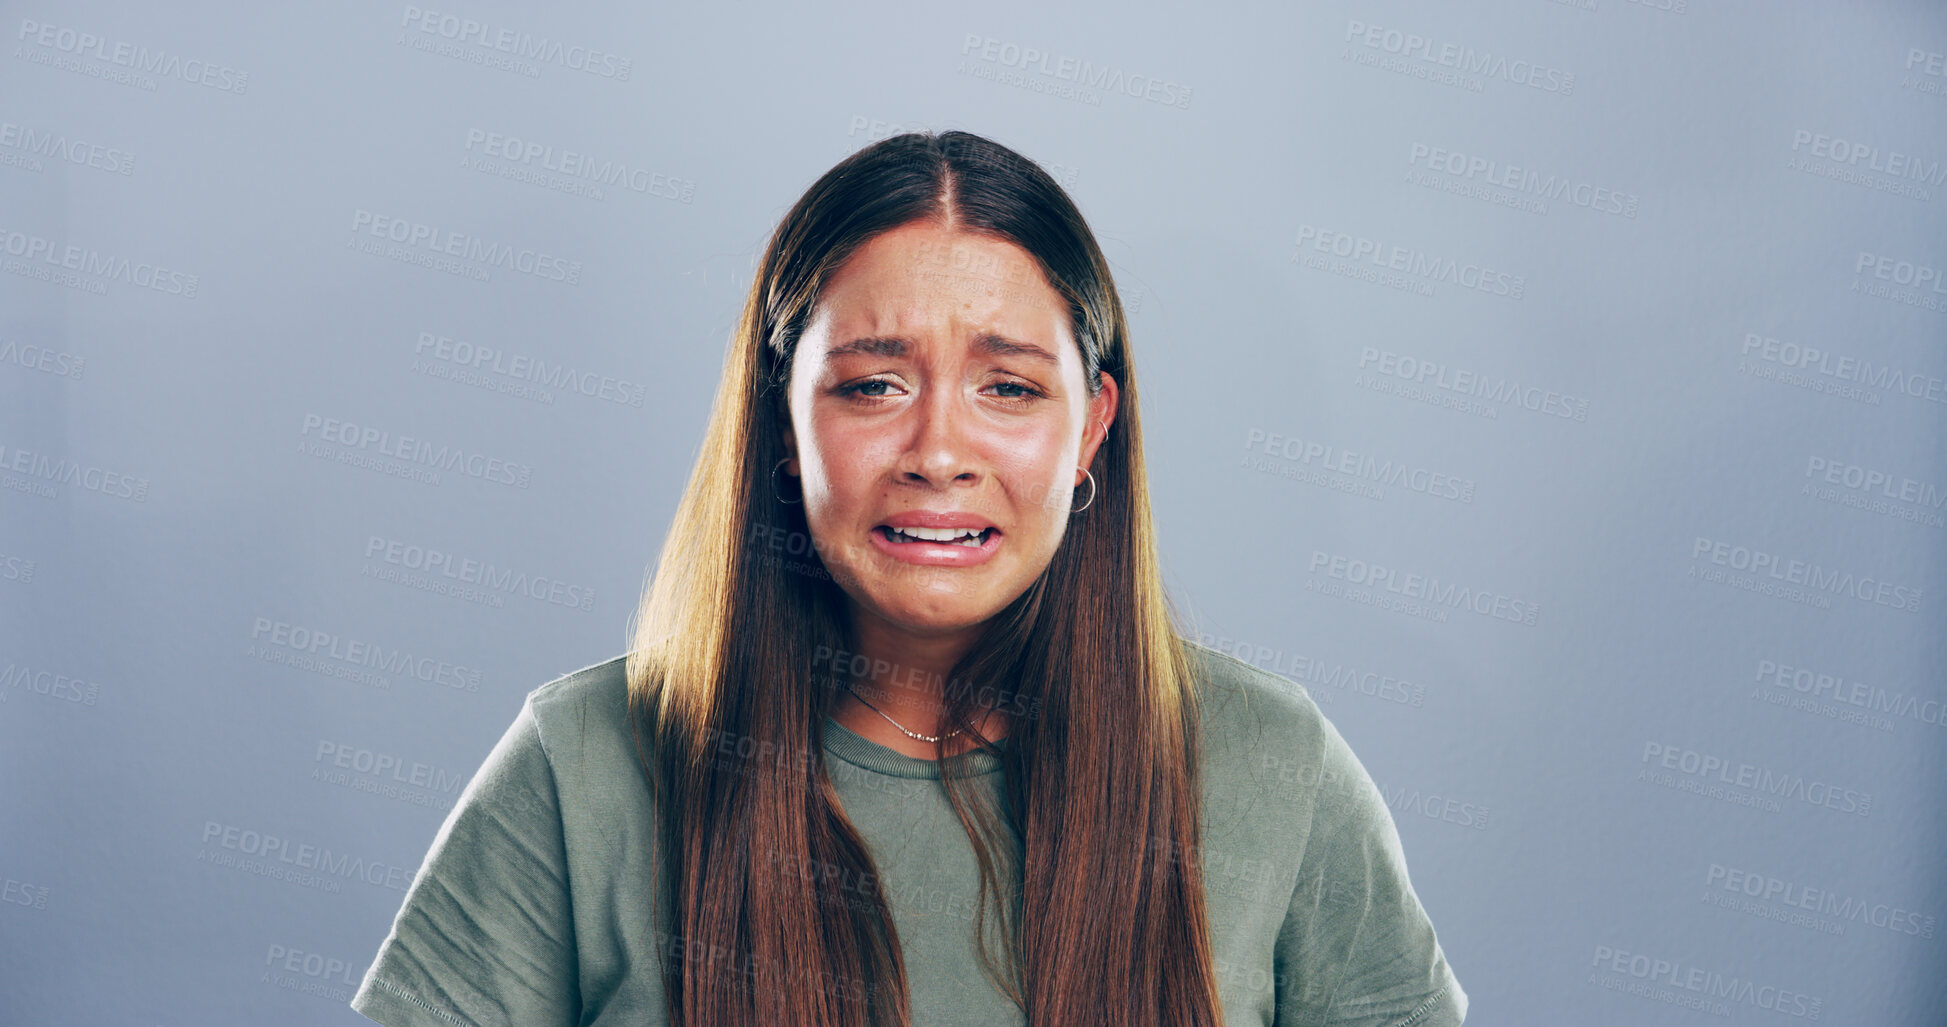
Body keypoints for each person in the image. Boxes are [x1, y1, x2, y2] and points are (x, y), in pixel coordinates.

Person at [350, 130, 1467, 1027]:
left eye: (1009, 388)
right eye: (873, 385)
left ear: (1092, 429)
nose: (938, 452)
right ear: (784, 424)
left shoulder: (1271, 765)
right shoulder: (584, 762)